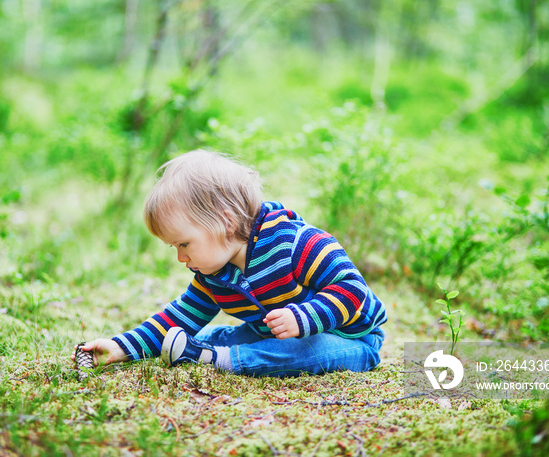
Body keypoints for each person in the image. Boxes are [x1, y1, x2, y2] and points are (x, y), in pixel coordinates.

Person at [72, 150, 387, 377]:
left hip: (353, 338)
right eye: (174, 247)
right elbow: (179, 315)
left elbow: (352, 289)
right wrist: (120, 347)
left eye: (184, 244)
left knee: (303, 352)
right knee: (234, 336)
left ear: (224, 221)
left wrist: (303, 317)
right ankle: (200, 348)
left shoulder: (295, 244)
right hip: (271, 335)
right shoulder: (213, 273)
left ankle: (215, 359)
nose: (181, 257)